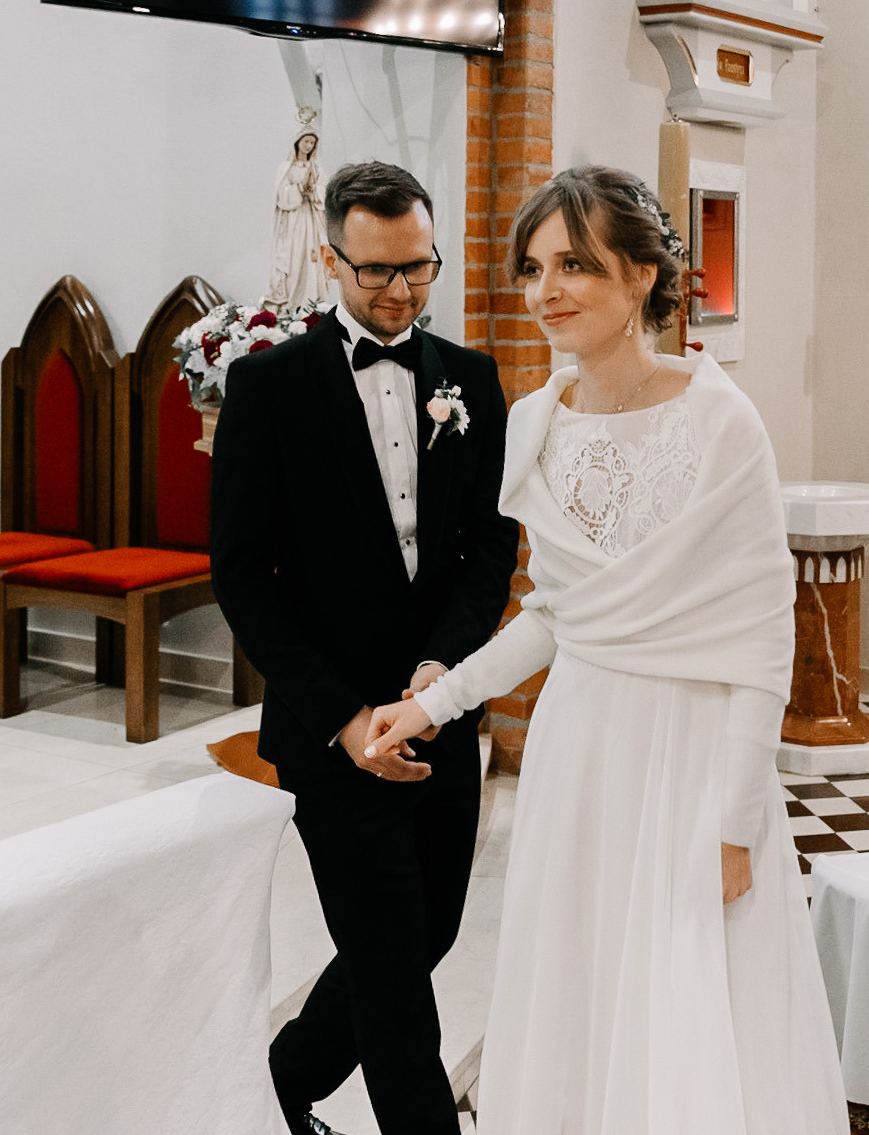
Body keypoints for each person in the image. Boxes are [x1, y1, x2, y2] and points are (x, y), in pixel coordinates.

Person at [363, 165, 845, 1135]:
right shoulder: (538, 423)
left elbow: (763, 637)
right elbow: (556, 615)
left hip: (692, 751)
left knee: (683, 1000)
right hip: (581, 746)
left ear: (641, 276)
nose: (545, 290)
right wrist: (434, 702)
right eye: (533, 267)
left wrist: (736, 822)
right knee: (579, 986)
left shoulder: (721, 420)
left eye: (574, 264)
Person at [209, 161, 517, 1135]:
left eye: (418, 267)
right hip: (330, 728)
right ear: (332, 258)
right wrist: (346, 719)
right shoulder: (268, 386)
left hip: (440, 711)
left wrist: (439, 676)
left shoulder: (470, 380)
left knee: (429, 933)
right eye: (376, 269)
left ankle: (275, 1088)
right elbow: (242, 575)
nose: (399, 290)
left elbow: (489, 549)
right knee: (391, 971)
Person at [267, 126, 331, 314]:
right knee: (293, 258)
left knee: (311, 259)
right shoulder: (287, 167)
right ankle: (290, 303)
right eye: (306, 141)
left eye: (312, 143)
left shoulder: (316, 168)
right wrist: (299, 188)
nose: (308, 145)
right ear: (297, 143)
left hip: (311, 218)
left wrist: (314, 191)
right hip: (293, 220)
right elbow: (281, 195)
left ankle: (311, 303)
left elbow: (324, 190)